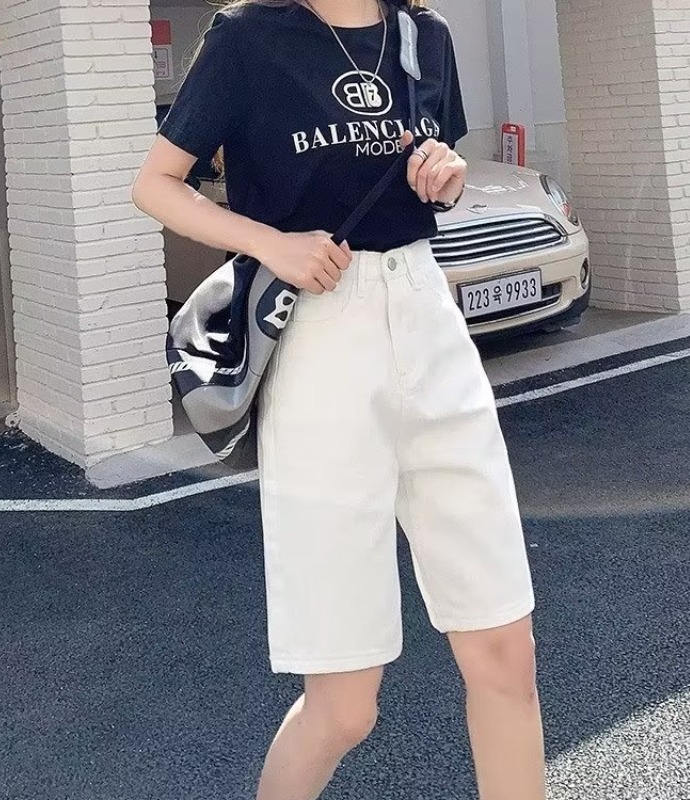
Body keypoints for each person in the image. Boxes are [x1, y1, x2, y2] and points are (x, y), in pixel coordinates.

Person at [131, 1, 546, 797]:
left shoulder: (426, 36)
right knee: (344, 707)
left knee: (507, 658)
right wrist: (271, 244)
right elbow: (155, 185)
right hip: (320, 336)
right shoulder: (248, 37)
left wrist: (447, 176)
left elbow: (437, 170)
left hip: (428, 318)